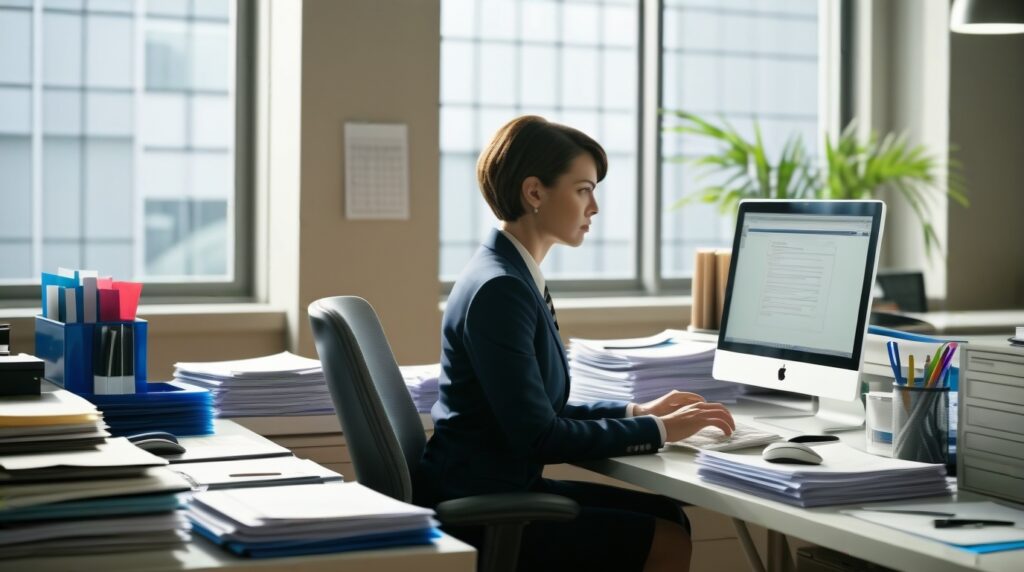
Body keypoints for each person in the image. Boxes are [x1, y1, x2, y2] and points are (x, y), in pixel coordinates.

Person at [414, 115, 736, 571]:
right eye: (584, 189)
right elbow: (540, 435)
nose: (595, 207)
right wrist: (663, 432)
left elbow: (537, 410)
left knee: (669, 516)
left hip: (494, 484)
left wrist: (637, 413)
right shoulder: (501, 288)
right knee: (664, 538)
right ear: (535, 192)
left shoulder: (509, 272)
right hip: (481, 504)